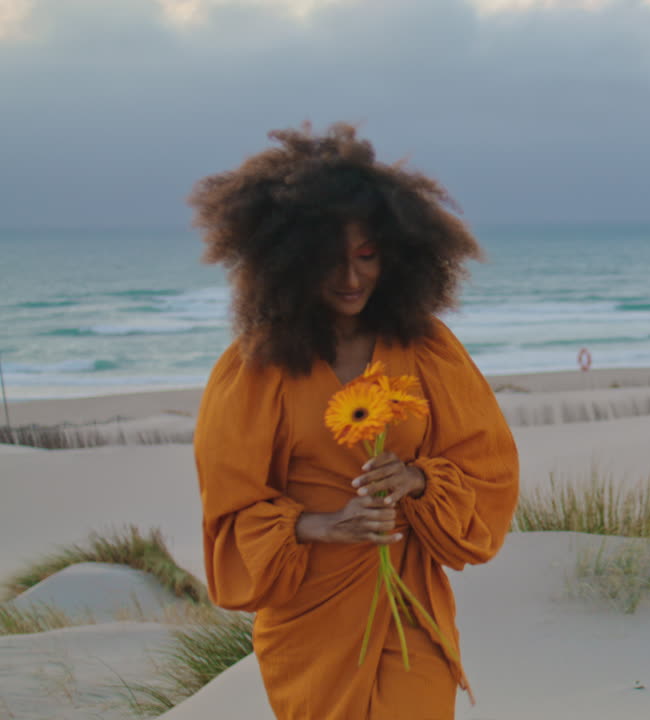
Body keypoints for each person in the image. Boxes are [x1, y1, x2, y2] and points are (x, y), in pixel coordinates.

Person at [190, 122, 519, 719]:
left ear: (395, 255)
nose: (350, 278)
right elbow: (229, 519)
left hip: (411, 608)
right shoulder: (251, 370)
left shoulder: (428, 350)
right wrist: (320, 525)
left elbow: (488, 472)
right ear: (288, 263)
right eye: (328, 261)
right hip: (309, 619)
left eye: (366, 257)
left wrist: (417, 481)